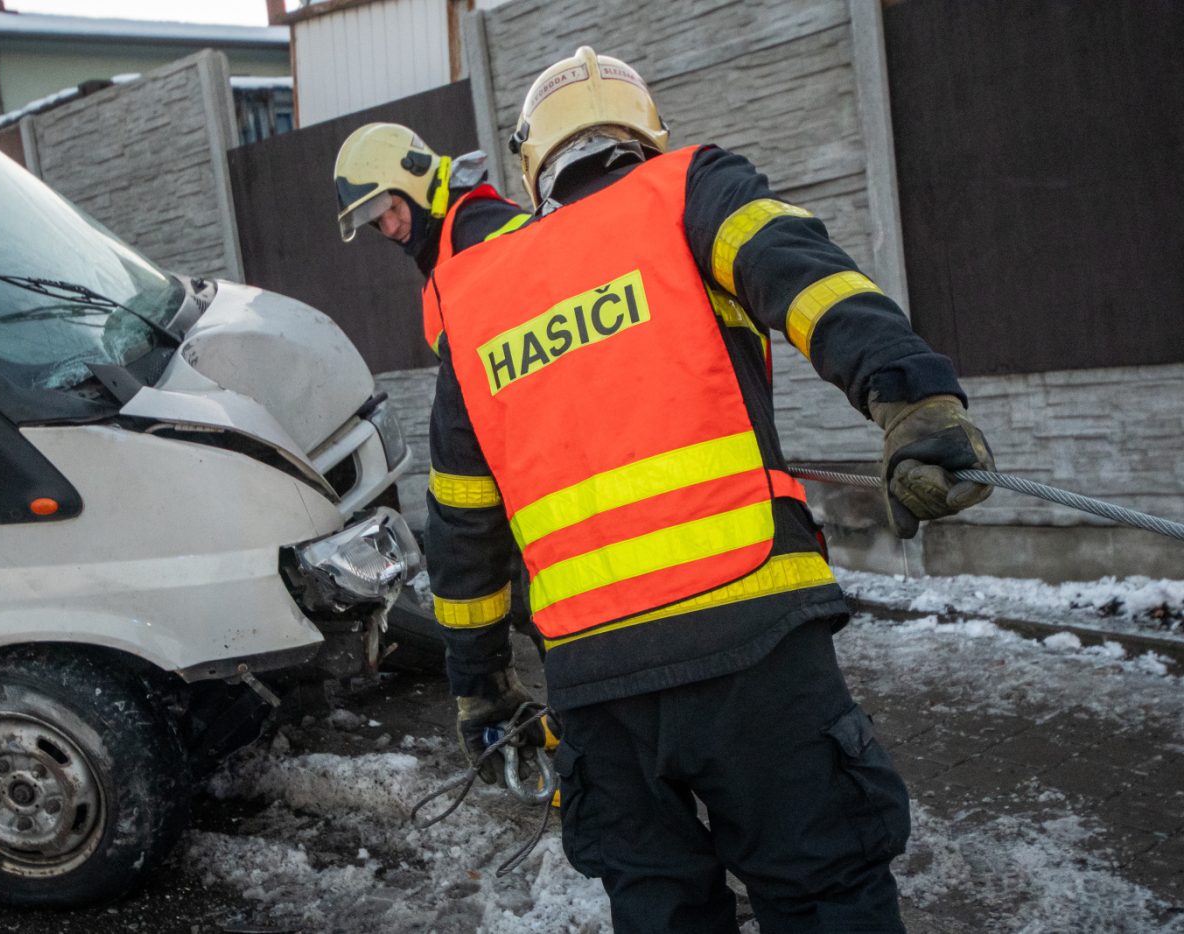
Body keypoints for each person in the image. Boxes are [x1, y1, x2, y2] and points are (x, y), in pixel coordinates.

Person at [421, 46, 995, 933]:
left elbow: (463, 522)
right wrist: (911, 401)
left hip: (594, 684)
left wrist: (480, 686)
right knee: (823, 895)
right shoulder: (686, 190)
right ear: (644, 133)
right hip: (753, 639)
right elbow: (805, 277)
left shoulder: (474, 298)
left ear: (534, 168)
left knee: (662, 913)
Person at [333, 122, 529, 283]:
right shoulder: (440, 253)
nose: (390, 228)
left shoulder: (477, 228)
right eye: (378, 221)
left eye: (394, 207)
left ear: (417, 182)